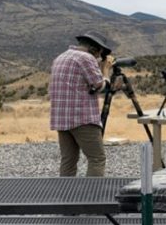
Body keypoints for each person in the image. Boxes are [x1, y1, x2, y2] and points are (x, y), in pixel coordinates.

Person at [49, 31, 118, 177]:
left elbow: (82, 83)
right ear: (95, 49)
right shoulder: (86, 58)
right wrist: (105, 70)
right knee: (97, 159)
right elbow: (99, 86)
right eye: (99, 54)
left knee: (68, 161)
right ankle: (92, 197)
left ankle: (66, 197)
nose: (98, 57)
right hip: (82, 118)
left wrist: (97, 66)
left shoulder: (61, 57)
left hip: (62, 119)